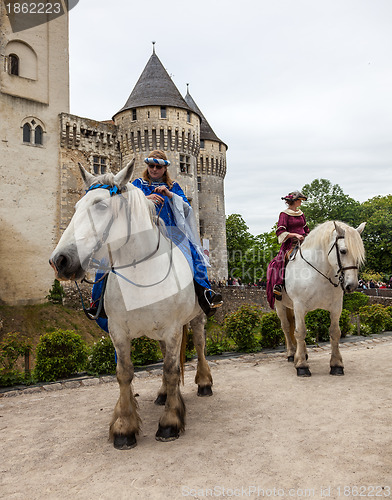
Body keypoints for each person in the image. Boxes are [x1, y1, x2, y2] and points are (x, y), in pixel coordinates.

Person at [132, 150, 223, 317]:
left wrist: (170, 195)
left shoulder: (173, 186)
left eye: (158, 167)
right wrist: (146, 200)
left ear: (164, 168)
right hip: (145, 230)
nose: (154, 169)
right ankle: (99, 301)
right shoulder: (138, 184)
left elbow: (187, 209)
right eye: (151, 166)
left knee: (195, 255)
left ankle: (206, 294)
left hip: (172, 230)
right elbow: (127, 204)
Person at [266, 190, 309, 308]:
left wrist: (308, 237)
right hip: (290, 244)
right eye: (300, 200)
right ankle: (279, 285)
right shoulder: (284, 214)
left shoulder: (301, 214)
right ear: (294, 201)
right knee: (282, 260)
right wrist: (295, 235)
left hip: (304, 241)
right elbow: (280, 231)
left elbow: (306, 229)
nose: (301, 202)